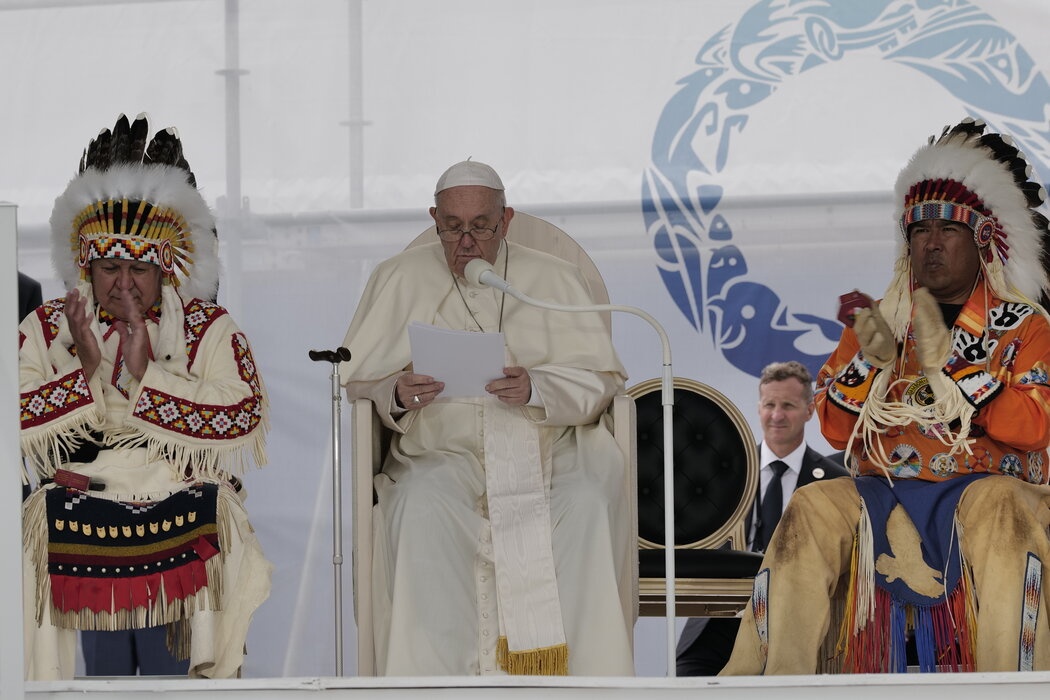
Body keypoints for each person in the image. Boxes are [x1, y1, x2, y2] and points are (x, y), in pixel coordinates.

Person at [720, 119, 1050, 675]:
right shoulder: (883, 322)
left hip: (985, 489)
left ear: (983, 239)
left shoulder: (1024, 326)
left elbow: (1034, 429)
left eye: (948, 229)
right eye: (919, 231)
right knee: (810, 505)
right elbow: (835, 432)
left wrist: (951, 363)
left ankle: (1010, 682)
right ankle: (775, 682)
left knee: (1000, 510)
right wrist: (866, 364)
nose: (931, 242)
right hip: (883, 492)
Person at [339, 159, 634, 676]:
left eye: (480, 227)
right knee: (418, 504)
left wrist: (538, 386)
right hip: (440, 451)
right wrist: (398, 391)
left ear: (506, 220)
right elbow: (359, 382)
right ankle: (431, 686)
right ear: (434, 218)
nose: (466, 242)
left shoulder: (553, 278)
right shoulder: (397, 277)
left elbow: (602, 381)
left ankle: (582, 684)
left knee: (585, 502)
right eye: (452, 227)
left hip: (549, 448)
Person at [19, 113, 272, 680]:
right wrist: (83, 369)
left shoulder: (210, 327)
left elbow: (243, 412)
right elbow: (9, 412)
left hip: (178, 496)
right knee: (40, 533)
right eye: (109, 267)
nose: (123, 283)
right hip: (77, 500)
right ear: (86, 264)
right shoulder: (46, 325)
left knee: (207, 523)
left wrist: (147, 377)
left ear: (166, 269)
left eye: (138, 267)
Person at [676, 361, 847, 675]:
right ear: (759, 408)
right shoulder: (722, 475)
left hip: (801, 625)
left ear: (810, 410)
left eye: (788, 406)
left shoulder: (834, 483)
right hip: (721, 619)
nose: (777, 416)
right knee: (686, 683)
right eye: (770, 405)